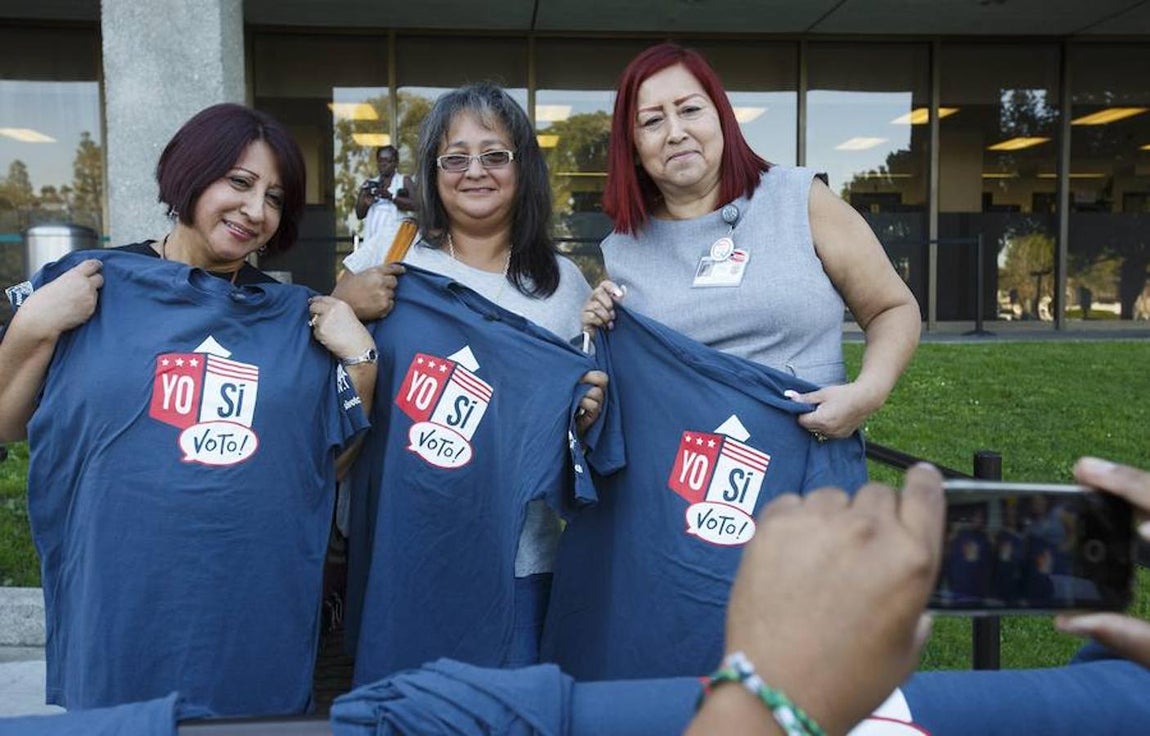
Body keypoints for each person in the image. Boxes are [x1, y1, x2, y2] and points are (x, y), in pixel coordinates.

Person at [0, 103, 377, 717]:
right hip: (118, 616)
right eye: (240, 182)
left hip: (249, 624)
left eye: (276, 198)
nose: (256, 211)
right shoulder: (91, 285)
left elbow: (328, 466)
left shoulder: (292, 318)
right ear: (190, 174)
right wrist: (32, 325)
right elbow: (6, 422)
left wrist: (361, 361)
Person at [333, 83, 608, 680]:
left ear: (524, 167)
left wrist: (584, 410)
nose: (474, 171)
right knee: (402, 713)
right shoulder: (389, 253)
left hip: (515, 563)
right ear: (432, 174)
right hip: (401, 550)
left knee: (508, 714)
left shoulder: (563, 288)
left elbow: (581, 435)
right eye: (454, 158)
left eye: (495, 155)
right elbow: (322, 369)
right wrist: (343, 300)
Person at [582, 42, 920, 444]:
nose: (676, 133)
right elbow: (622, 388)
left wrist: (868, 393)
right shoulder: (624, 249)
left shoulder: (801, 199)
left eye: (690, 110)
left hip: (806, 469)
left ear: (722, 118)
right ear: (634, 148)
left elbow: (892, 308)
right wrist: (596, 330)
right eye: (652, 122)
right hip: (680, 481)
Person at [354, 144, 417, 248]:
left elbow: (417, 205)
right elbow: (359, 214)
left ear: (396, 163)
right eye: (380, 161)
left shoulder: (404, 181)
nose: (383, 164)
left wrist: (391, 197)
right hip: (373, 240)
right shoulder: (370, 184)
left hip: (397, 240)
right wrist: (365, 202)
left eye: (388, 161)